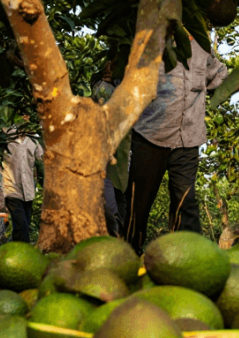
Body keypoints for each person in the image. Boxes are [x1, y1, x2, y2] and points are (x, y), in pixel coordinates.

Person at [124, 38, 228, 253]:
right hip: (151, 135)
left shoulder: (202, 47)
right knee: (138, 204)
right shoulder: (151, 42)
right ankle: (127, 256)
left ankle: (189, 259)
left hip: (188, 137)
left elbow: (219, 73)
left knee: (186, 202)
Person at [95, 62, 132, 237]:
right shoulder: (102, 89)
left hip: (122, 161)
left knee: (120, 201)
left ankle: (121, 241)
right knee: (111, 206)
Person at [1, 120, 44, 244]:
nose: (25, 117)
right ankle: (24, 257)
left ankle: (9, 249)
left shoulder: (34, 138)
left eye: (27, 114)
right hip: (10, 187)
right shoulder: (5, 134)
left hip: (28, 190)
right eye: (22, 113)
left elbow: (41, 159)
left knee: (22, 227)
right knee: (22, 226)